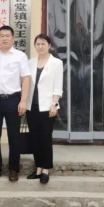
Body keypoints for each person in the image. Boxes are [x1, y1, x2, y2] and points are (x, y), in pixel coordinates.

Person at [0, 26, 31, 182]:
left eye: (7, 35)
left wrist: (23, 100)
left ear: (13, 38)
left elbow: (25, 79)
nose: (4, 38)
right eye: (2, 36)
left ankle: (14, 168)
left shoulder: (20, 56)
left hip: (13, 99)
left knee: (14, 136)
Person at [26, 34, 64, 184]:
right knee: (34, 138)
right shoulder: (30, 63)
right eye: (38, 44)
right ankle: (38, 167)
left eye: (43, 44)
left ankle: (46, 169)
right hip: (31, 106)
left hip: (48, 107)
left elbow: (58, 86)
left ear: (49, 46)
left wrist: (54, 104)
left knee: (45, 138)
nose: (40, 46)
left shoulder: (56, 63)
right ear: (34, 46)